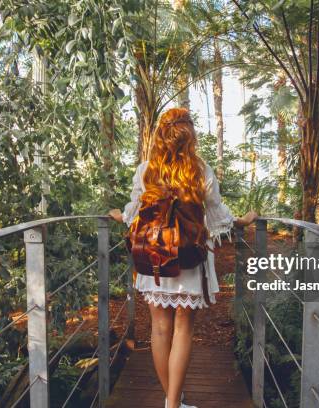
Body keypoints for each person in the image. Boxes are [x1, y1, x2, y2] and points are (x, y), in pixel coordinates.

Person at [109, 107, 257, 408]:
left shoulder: (146, 169)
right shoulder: (199, 169)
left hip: (154, 257)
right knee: (182, 328)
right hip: (188, 257)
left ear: (161, 135)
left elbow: (135, 212)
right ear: (190, 136)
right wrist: (241, 221)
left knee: (159, 329)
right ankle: (174, 404)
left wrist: (120, 216)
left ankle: (172, 402)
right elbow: (217, 214)